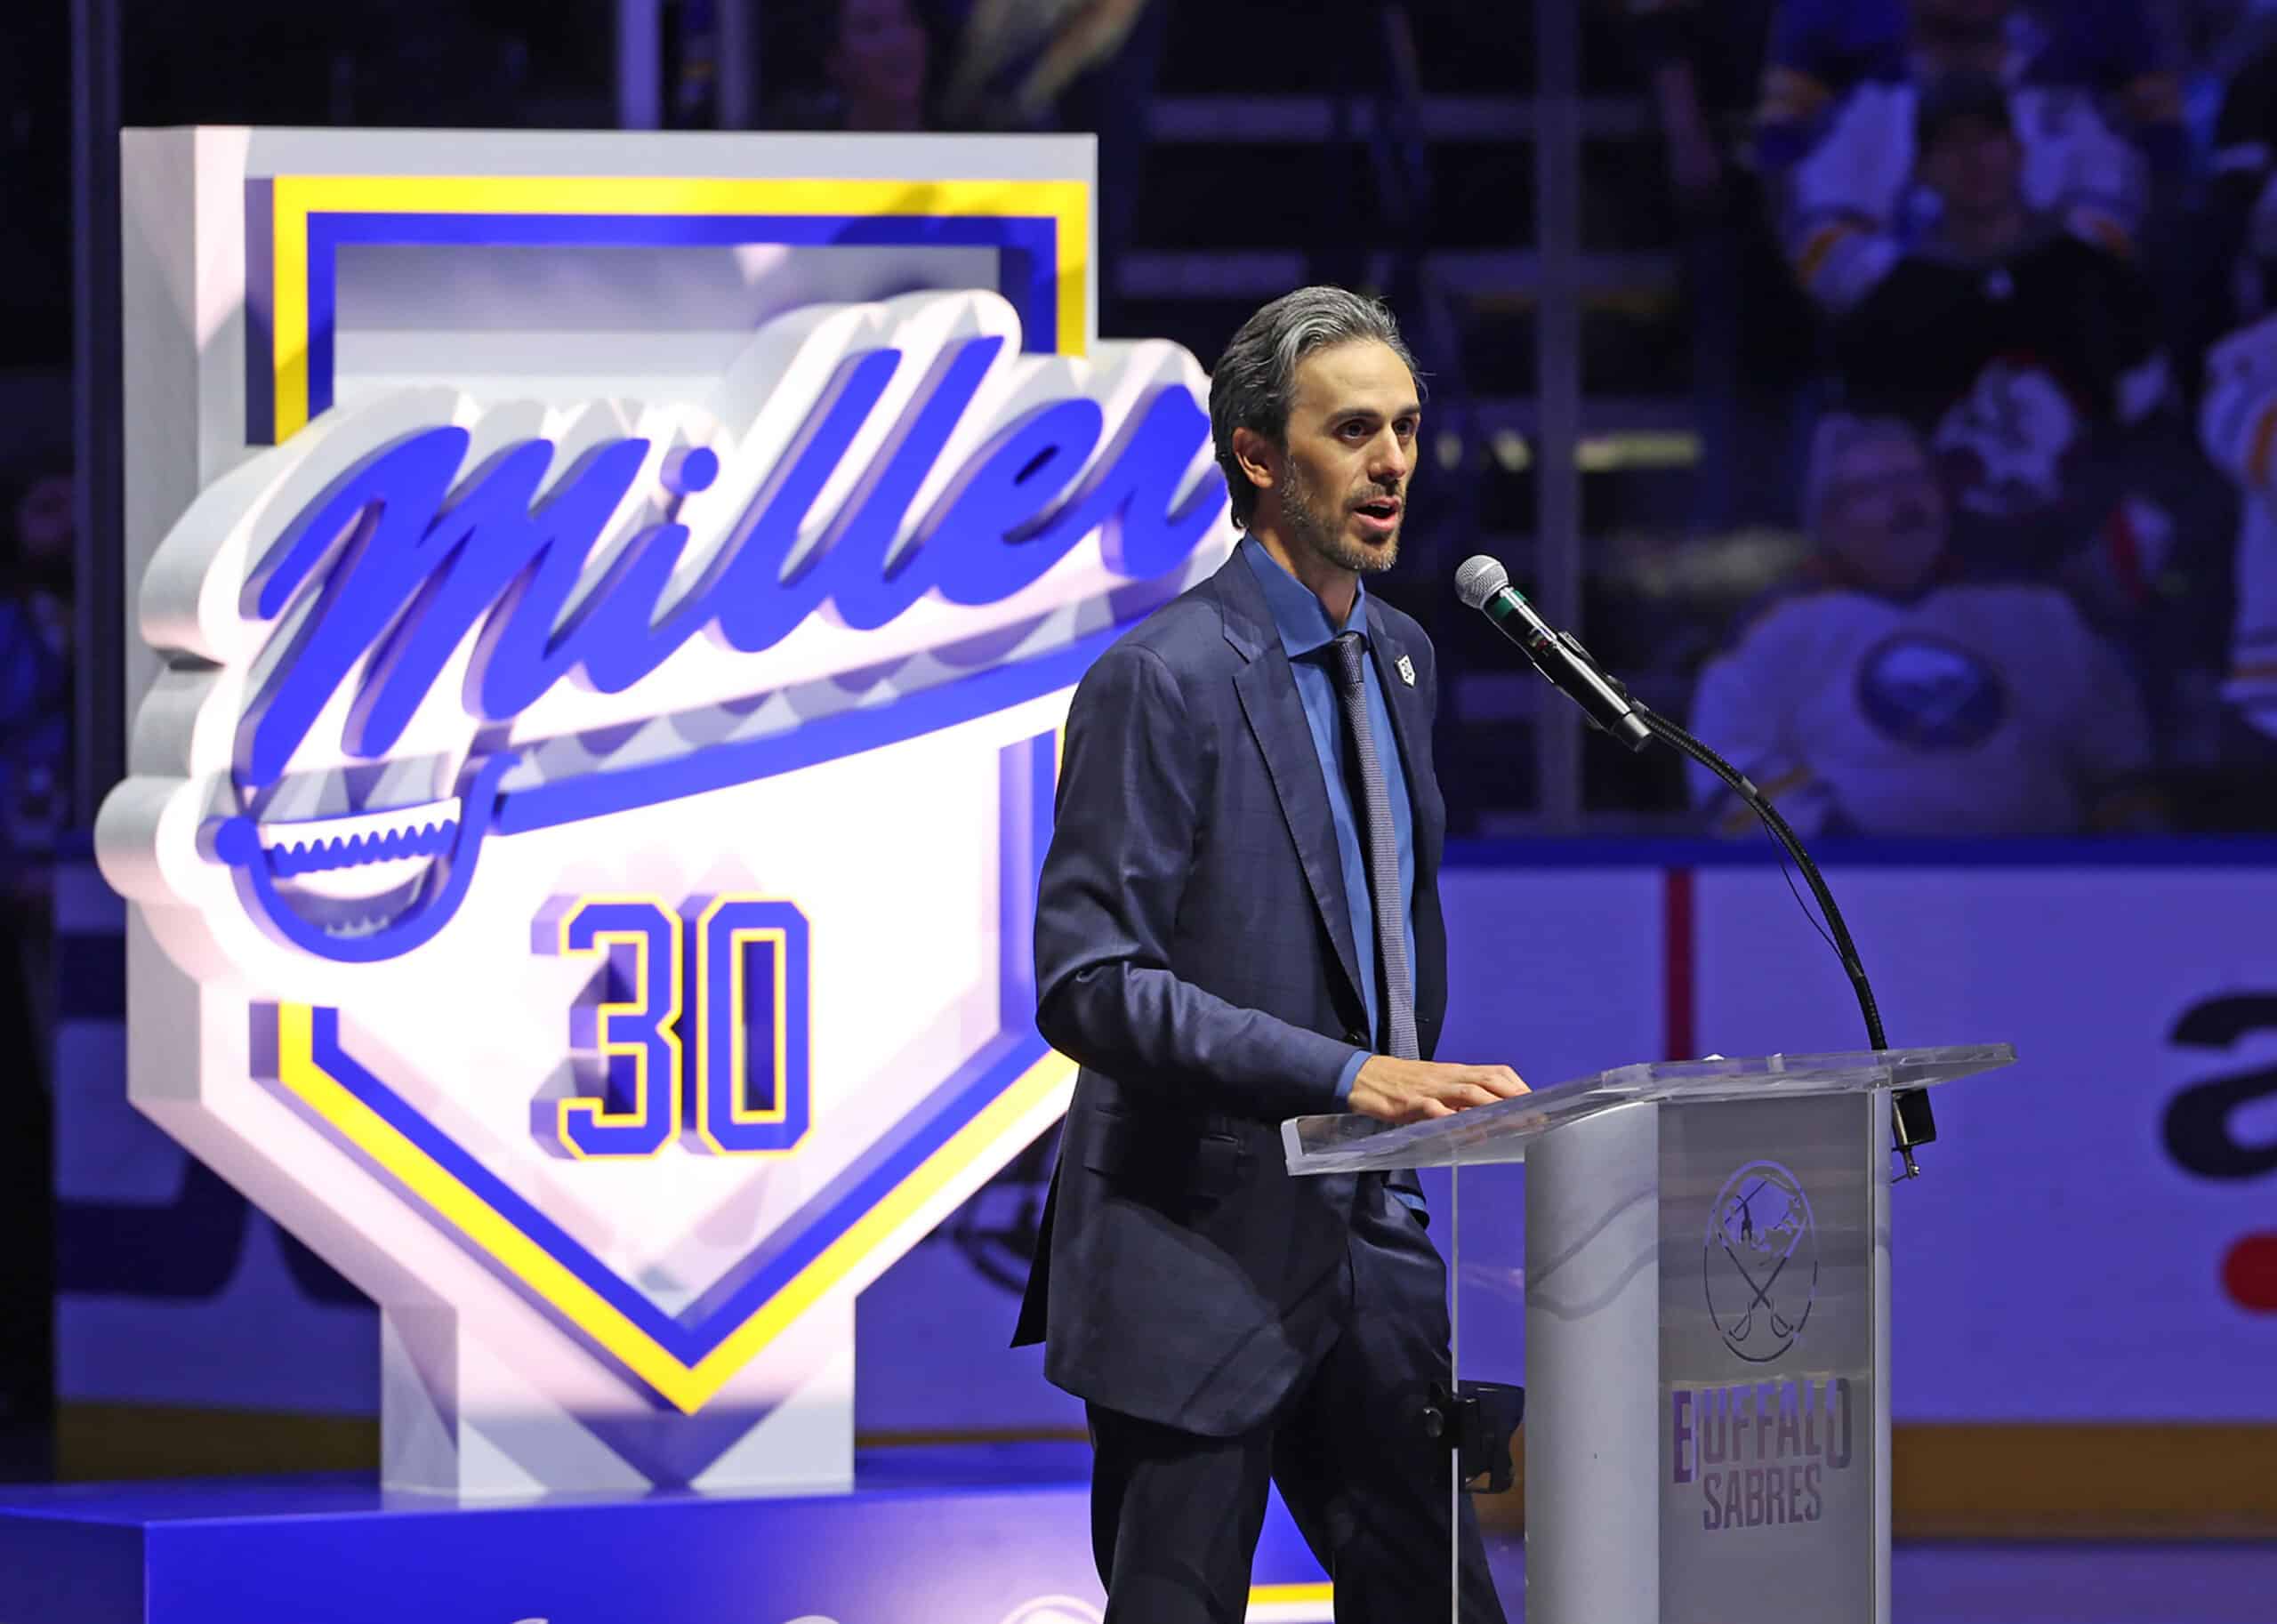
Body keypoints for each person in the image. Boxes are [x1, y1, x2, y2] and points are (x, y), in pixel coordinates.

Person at [1012, 287, 1521, 1622]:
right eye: (1353, 429)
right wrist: (1344, 1072)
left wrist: (1394, 1130)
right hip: (1196, 1258)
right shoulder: (1161, 677)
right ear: (1257, 454)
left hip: (1376, 1253)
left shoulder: (1403, 659)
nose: (1394, 460)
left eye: (1407, 426)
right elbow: (1089, 982)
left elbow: (1385, 936)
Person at [1687, 416, 2152, 836]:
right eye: (1873, 490)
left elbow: (2119, 764)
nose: (1904, 503)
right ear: (1827, 519)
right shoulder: (1775, 630)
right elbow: (1728, 763)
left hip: (2044, 893)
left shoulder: (2038, 614)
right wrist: (1834, 845)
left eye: (1915, 480)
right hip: (1853, 902)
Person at [1826, 71, 2171, 584]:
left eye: (1987, 138)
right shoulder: (1890, 305)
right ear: (1921, 169)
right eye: (1950, 145)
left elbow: (2154, 428)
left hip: (2096, 557)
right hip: (1945, 573)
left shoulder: (2094, 276)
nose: (1973, 160)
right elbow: (1871, 461)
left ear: (2017, 151)